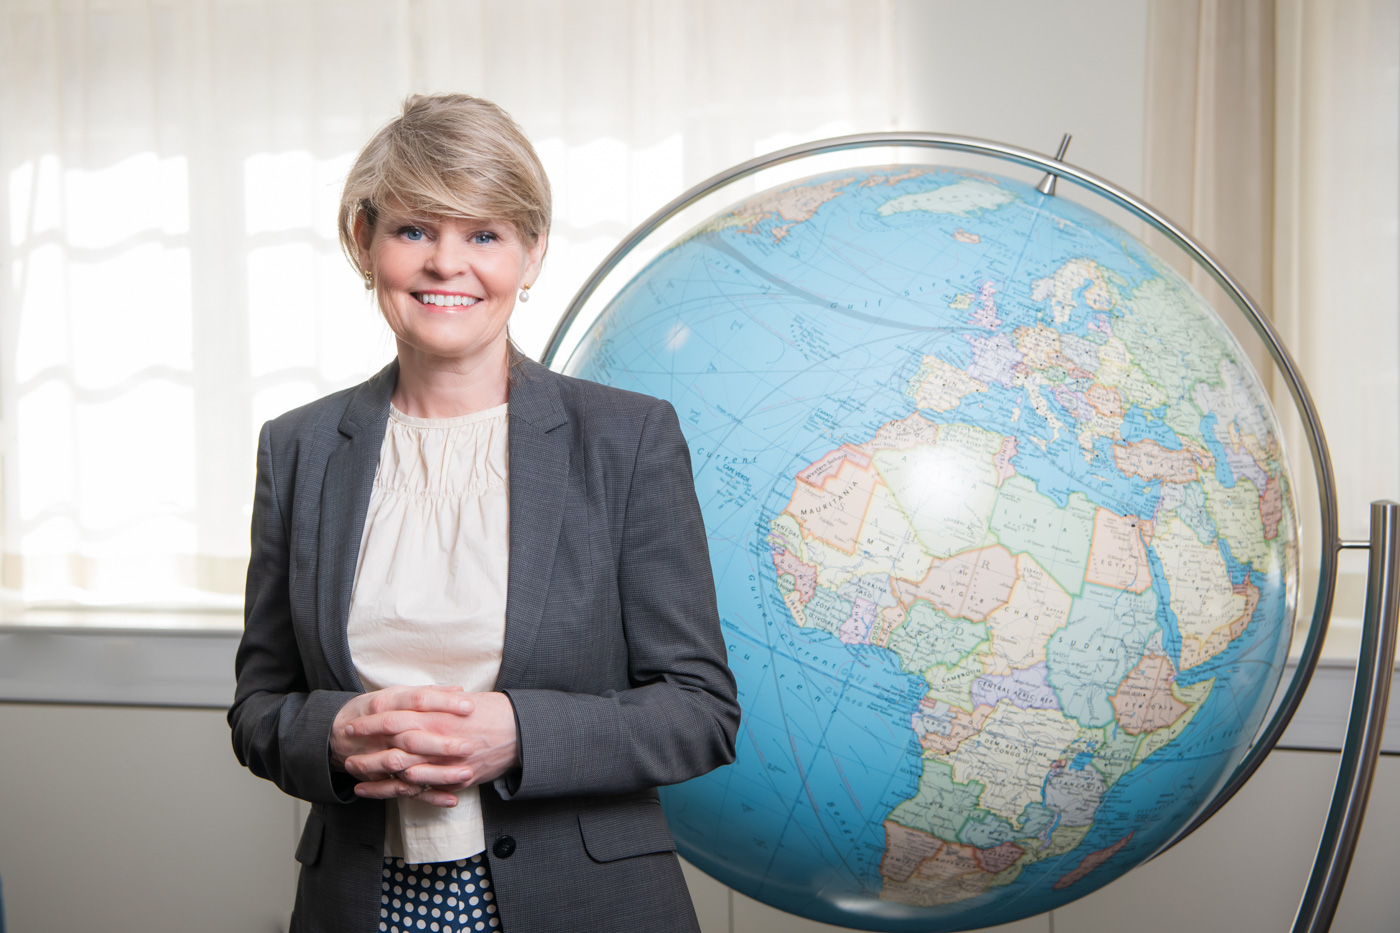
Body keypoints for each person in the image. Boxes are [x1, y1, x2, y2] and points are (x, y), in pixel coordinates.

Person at [228, 93, 740, 933]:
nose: (446, 264)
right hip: (361, 904)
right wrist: (331, 733)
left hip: (588, 904)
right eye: (415, 230)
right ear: (366, 242)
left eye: (485, 234)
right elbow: (257, 708)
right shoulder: (299, 448)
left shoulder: (628, 438)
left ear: (531, 254)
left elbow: (700, 708)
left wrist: (520, 732)